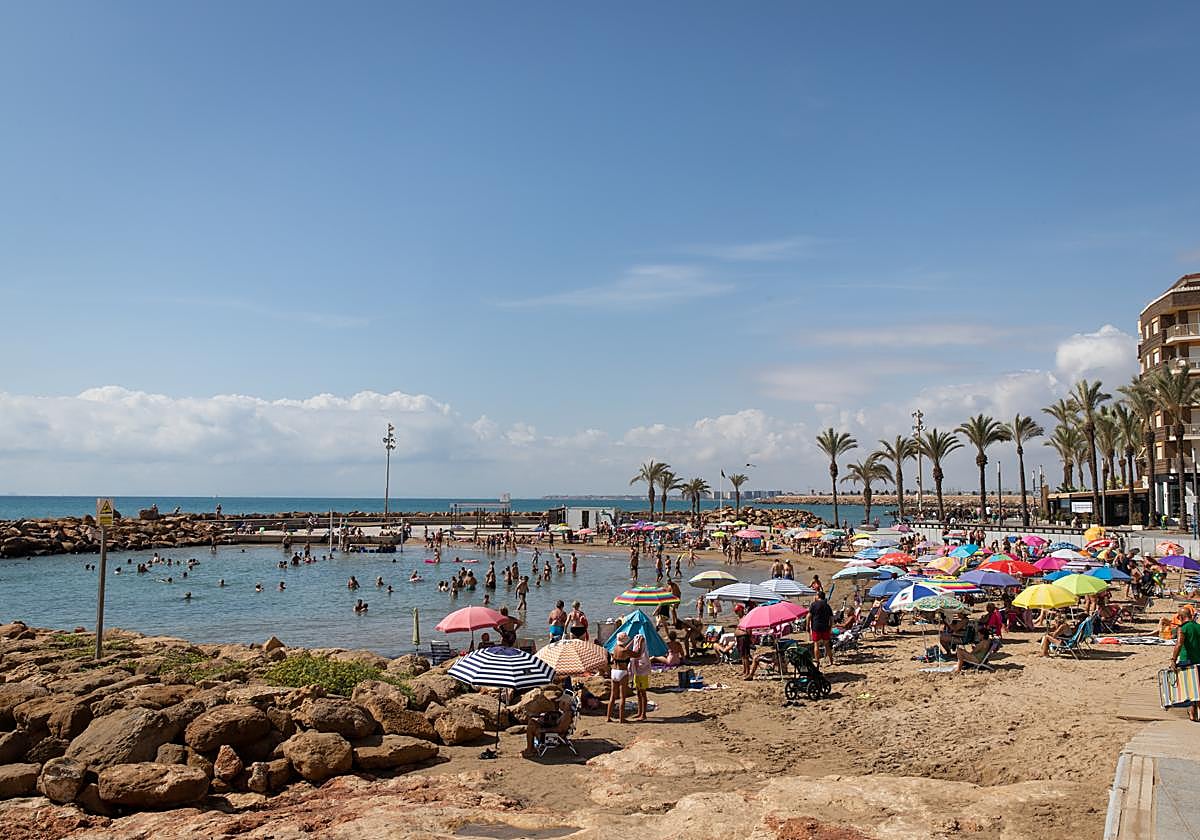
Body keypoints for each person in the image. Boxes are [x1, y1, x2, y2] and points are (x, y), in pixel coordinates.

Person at [523, 691, 574, 757]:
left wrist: (544, 730)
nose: (559, 704)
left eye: (560, 702)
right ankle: (531, 748)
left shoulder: (567, 715)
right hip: (553, 732)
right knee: (532, 722)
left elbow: (560, 729)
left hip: (554, 736)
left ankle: (530, 750)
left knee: (531, 727)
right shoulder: (565, 713)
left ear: (565, 704)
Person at [1171, 608, 1200, 721]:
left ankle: (1192, 711)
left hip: (1187, 660)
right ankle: (1197, 709)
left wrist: (1173, 659)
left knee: (1190, 687)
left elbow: (1178, 644)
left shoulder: (1183, 628)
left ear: (1181, 617)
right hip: (1199, 660)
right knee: (1198, 686)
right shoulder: (1198, 626)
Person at [607, 632, 632, 723]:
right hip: (622, 672)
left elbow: (621, 650)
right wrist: (640, 643)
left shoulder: (615, 648)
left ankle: (608, 717)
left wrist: (631, 642)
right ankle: (621, 719)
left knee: (612, 696)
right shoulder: (625, 651)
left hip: (614, 671)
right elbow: (638, 654)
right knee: (622, 697)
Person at [628, 632, 651, 721]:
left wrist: (628, 652)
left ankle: (643, 714)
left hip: (642, 671)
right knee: (638, 691)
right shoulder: (636, 639)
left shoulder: (642, 642)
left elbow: (639, 652)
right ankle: (639, 712)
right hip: (637, 670)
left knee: (642, 692)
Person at [808, 591, 834, 666]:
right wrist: (830, 627)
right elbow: (831, 618)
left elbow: (809, 616)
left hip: (816, 627)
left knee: (816, 644)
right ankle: (831, 661)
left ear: (818, 596)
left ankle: (817, 662)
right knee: (827, 644)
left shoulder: (813, 605)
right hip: (825, 627)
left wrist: (807, 626)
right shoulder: (827, 606)